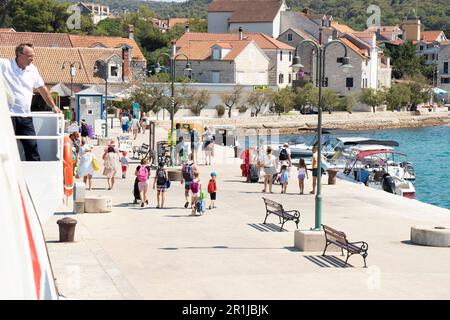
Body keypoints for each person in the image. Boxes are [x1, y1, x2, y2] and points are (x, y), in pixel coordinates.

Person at [1, 43, 61, 161]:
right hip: (8, 116)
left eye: (33, 56)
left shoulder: (33, 69)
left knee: (32, 148)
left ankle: (36, 175)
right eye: (29, 56)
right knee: (5, 149)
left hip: (25, 117)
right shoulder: (5, 65)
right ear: (19, 55)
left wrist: (54, 106)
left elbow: (42, 89)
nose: (32, 59)